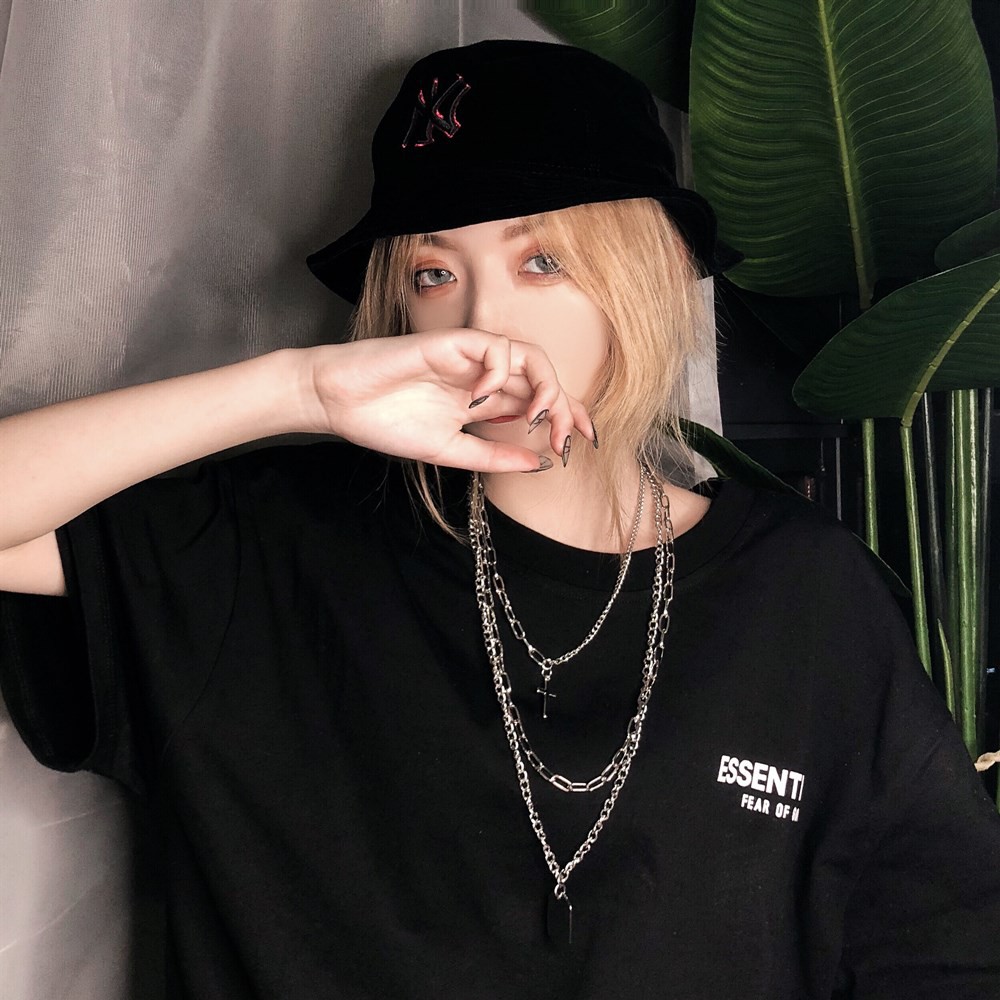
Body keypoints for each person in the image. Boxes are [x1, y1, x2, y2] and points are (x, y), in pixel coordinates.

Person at [1, 37, 999, 1000]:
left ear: (648, 275)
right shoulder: (264, 543)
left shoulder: (807, 596)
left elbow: (943, 952)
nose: (484, 322)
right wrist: (297, 389)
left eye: (542, 263)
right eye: (434, 274)